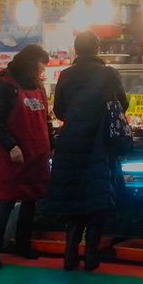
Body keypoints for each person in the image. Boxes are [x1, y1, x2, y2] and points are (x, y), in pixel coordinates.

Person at [48, 30, 128, 271]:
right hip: (99, 143)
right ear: (97, 48)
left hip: (71, 142)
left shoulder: (66, 75)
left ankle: (69, 255)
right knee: (97, 199)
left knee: (74, 201)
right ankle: (91, 255)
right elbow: (122, 104)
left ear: (76, 50)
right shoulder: (108, 73)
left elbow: (59, 111)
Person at [0, 44, 52, 270]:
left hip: (37, 154)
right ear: (29, 63)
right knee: (6, 202)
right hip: (14, 156)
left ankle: (23, 245)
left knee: (31, 201)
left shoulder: (38, 87)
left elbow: (46, 120)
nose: (41, 71)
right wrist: (11, 146)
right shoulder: (4, 85)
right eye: (40, 66)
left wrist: (51, 145)